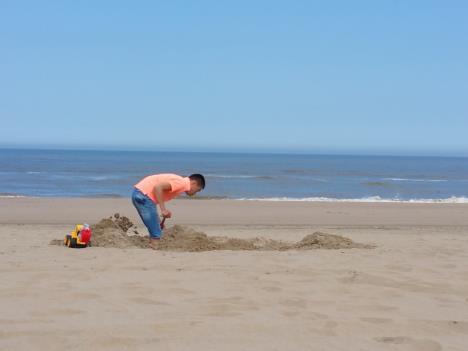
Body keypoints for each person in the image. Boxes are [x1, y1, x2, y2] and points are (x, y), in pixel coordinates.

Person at [132, 173, 205, 248]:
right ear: (194, 183)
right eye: (197, 190)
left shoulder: (180, 181)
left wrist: (161, 214)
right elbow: (158, 187)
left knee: (159, 226)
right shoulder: (182, 183)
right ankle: (154, 248)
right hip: (143, 196)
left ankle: (154, 245)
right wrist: (163, 210)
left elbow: (155, 192)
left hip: (140, 194)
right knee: (156, 231)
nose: (195, 193)